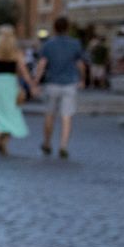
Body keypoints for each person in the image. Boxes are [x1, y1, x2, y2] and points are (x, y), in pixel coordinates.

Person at [33, 16, 86, 158]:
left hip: (52, 83)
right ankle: (63, 145)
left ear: (54, 28)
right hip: (70, 83)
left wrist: (35, 82)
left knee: (50, 115)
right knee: (66, 116)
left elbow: (42, 64)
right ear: (67, 28)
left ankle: (47, 143)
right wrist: (83, 79)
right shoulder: (75, 44)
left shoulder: (48, 44)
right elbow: (80, 64)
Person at [0, 25, 33, 156]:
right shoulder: (17, 53)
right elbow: (24, 73)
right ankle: (5, 140)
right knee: (11, 112)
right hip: (10, 84)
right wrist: (32, 85)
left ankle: (0, 133)